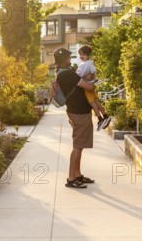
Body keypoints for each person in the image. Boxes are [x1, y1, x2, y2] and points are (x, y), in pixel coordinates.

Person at [54, 47, 96, 189]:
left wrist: (84, 79)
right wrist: (90, 82)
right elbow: (89, 88)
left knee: (80, 145)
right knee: (77, 146)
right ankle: (71, 178)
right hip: (78, 113)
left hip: (78, 111)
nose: (70, 59)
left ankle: (77, 174)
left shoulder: (64, 73)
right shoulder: (67, 74)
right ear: (63, 59)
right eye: (68, 57)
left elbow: (79, 82)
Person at [77, 45, 111, 131]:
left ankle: (100, 119)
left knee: (92, 103)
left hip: (87, 87)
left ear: (88, 55)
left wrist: (76, 74)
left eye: (83, 55)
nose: (81, 56)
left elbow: (79, 75)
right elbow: (93, 75)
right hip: (91, 85)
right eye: (80, 54)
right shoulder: (91, 63)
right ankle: (105, 116)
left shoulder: (85, 64)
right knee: (96, 102)